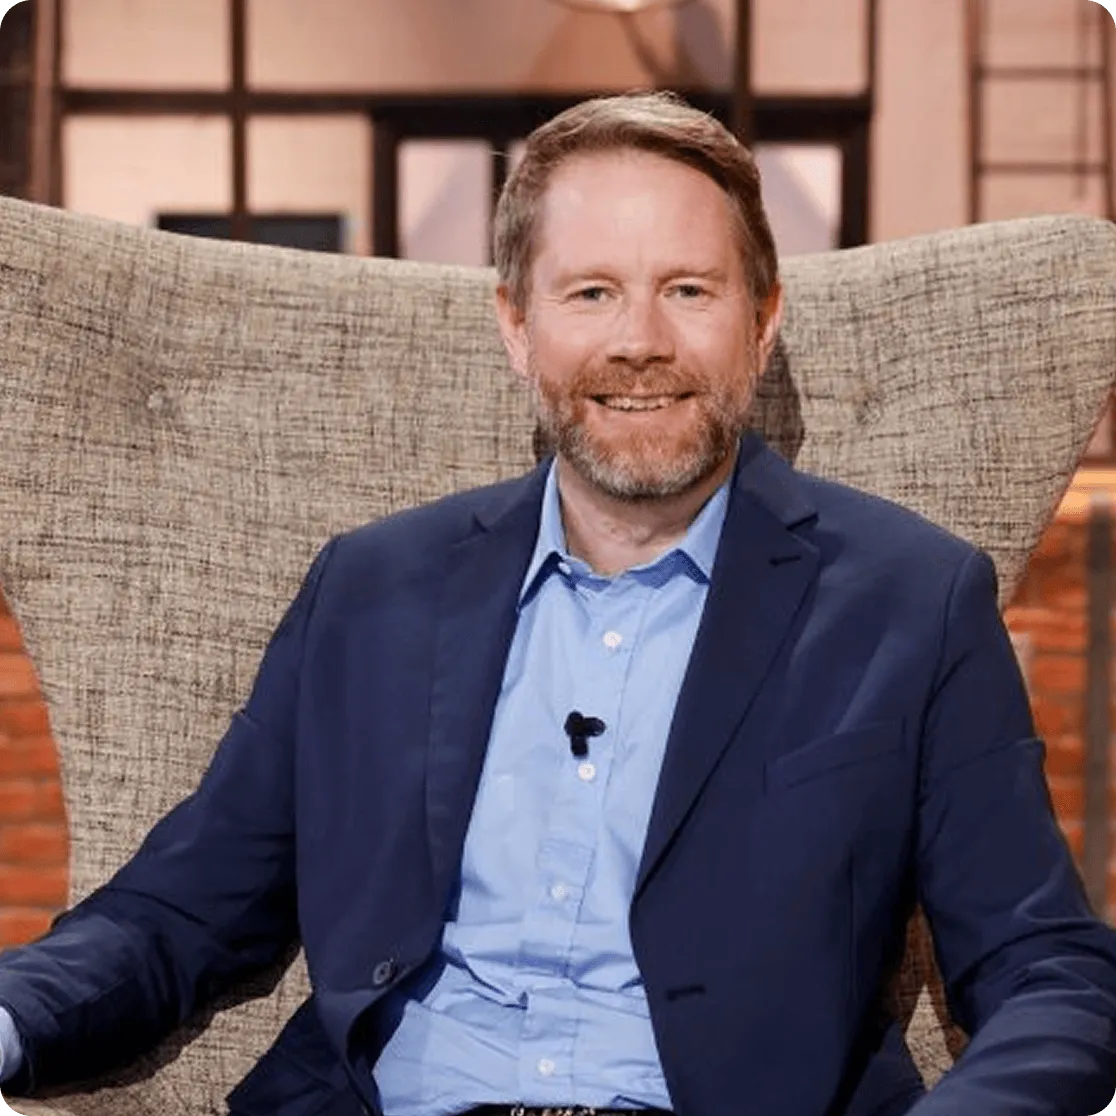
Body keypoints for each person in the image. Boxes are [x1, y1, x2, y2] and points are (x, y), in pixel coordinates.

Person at [0, 91, 1113, 1116]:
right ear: (516, 326)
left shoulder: (908, 600)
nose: (639, 340)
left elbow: (1048, 968)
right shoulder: (372, 588)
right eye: (590, 292)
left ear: (763, 319)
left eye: (689, 290)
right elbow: (175, 914)